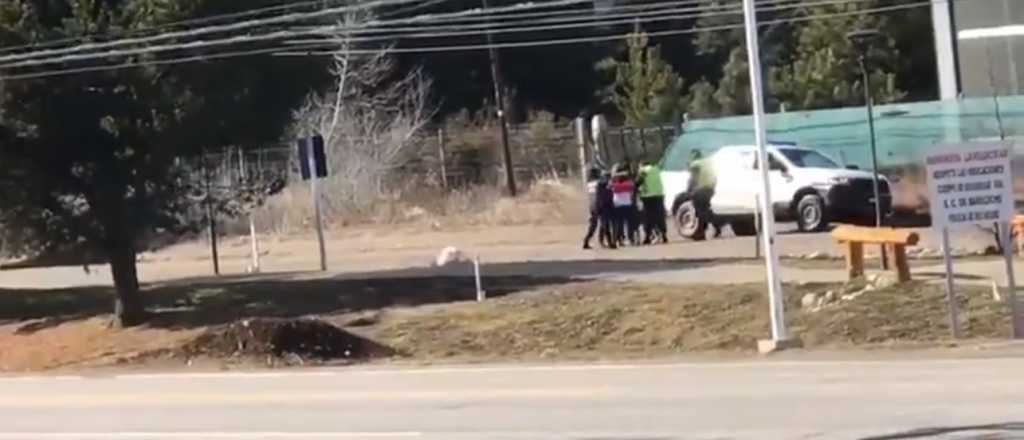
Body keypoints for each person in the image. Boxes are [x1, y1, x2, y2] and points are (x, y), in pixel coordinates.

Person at [687, 149, 725, 238]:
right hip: (710, 189)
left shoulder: (695, 164)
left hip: (701, 189)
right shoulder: (709, 162)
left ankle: (701, 233)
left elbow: (693, 179)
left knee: (699, 211)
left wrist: (689, 190)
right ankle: (717, 225)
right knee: (706, 210)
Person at [583, 167, 615, 249]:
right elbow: (606, 185)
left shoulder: (589, 184)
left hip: (593, 206)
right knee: (605, 224)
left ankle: (586, 241)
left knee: (593, 225)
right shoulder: (599, 183)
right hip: (601, 205)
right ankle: (610, 243)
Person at [638, 162, 668, 244]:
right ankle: (664, 236)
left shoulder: (643, 170)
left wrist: (635, 186)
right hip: (659, 195)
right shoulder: (656, 169)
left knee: (648, 217)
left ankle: (647, 237)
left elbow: (639, 181)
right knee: (660, 216)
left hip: (648, 197)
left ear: (642, 165)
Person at [610, 165, 637, 246]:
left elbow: (610, 186)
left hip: (618, 205)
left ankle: (620, 239)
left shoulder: (615, 185)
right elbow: (632, 188)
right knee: (629, 223)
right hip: (627, 205)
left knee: (619, 223)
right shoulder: (629, 184)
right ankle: (631, 238)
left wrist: (614, 177)